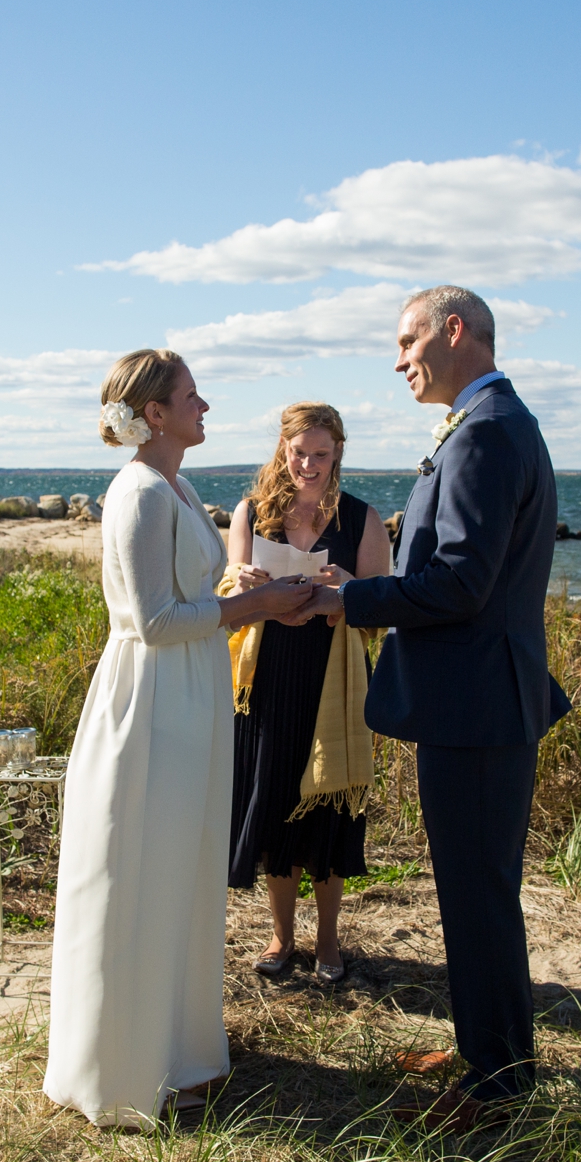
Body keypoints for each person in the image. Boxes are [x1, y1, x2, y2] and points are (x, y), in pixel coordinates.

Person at [290, 286, 570, 1131]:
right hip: (478, 701)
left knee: (480, 894)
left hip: (478, 706)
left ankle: (496, 1088)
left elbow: (462, 583)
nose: (399, 357)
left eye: (408, 339)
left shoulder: (485, 432)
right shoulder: (490, 423)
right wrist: (364, 585)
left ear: (457, 332)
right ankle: (488, 1050)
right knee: (473, 890)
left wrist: (356, 601)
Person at [42, 349, 315, 1130]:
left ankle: (175, 1048)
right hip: (152, 699)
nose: (206, 406)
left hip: (192, 692)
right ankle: (126, 1065)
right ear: (154, 413)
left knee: (181, 867)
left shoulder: (181, 485)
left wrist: (257, 591)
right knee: (142, 868)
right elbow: (153, 621)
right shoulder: (136, 494)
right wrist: (259, 610)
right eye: (192, 396)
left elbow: (196, 592)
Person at [222, 403, 393, 984]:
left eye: (321, 453)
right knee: (272, 805)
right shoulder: (251, 513)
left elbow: (381, 614)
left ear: (338, 452)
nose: (309, 464)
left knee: (325, 808)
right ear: (282, 448)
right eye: (299, 452)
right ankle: (280, 935)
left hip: (333, 682)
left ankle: (327, 941)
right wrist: (240, 582)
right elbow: (227, 594)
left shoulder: (362, 520)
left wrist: (351, 591)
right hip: (266, 681)